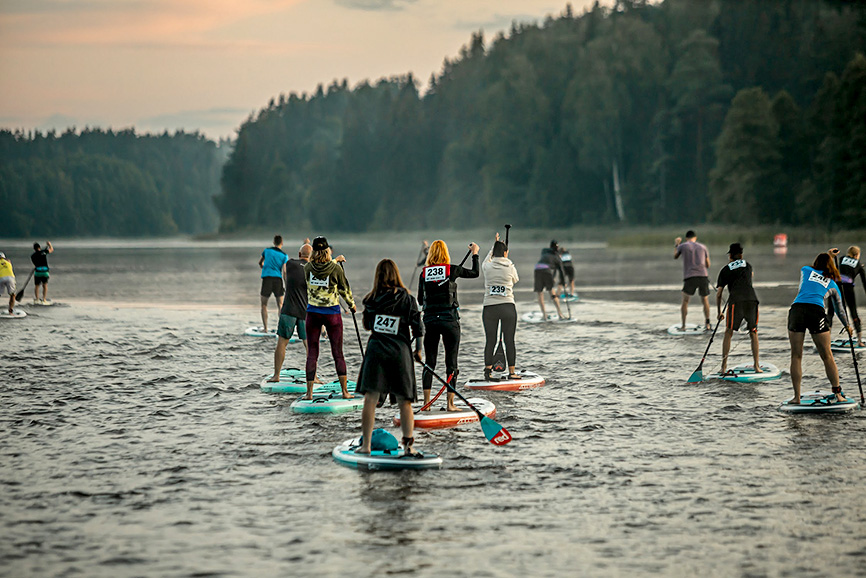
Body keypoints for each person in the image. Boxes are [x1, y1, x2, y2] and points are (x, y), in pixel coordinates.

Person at [355, 259, 424, 456]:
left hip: (376, 351)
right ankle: (408, 446)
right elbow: (418, 328)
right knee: (404, 401)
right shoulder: (407, 299)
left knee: (370, 399)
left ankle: (366, 445)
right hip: (400, 352)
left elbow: (368, 326)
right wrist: (418, 351)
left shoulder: (370, 299)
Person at [417, 239, 479, 411]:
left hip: (430, 322)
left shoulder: (424, 273)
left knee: (430, 363)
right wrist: (475, 254)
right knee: (451, 363)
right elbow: (475, 273)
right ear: (446, 253)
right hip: (450, 321)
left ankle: (426, 404)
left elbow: (419, 299)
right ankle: (450, 404)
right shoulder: (452, 269)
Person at [787, 249, 853, 404]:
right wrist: (848, 326)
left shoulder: (806, 270)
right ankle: (838, 394)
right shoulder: (832, 284)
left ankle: (796, 397)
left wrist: (829, 255)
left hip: (796, 310)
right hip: (815, 312)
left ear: (816, 263)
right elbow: (839, 310)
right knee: (827, 356)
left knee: (796, 356)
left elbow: (815, 267)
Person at [303, 236, 354, 400]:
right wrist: (352, 305)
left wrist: (333, 261)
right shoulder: (335, 269)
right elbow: (344, 290)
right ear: (327, 251)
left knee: (312, 353)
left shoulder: (308, 268)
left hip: (313, 313)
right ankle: (345, 392)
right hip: (332, 313)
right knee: (338, 353)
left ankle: (309, 393)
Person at [267, 242, 314, 383]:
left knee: (282, 343)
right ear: (311, 258)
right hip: (305, 312)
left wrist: (287, 282)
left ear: (299, 255)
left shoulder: (291, 263)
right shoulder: (313, 269)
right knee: (310, 346)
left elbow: (285, 273)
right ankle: (313, 377)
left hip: (288, 310)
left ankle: (276, 376)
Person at [716, 243, 761, 374]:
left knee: (728, 333)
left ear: (730, 255)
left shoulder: (725, 270)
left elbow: (719, 293)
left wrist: (719, 312)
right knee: (753, 332)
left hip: (736, 302)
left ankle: (723, 367)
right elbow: (748, 279)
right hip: (752, 300)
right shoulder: (748, 266)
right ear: (741, 254)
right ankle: (756, 366)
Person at [482, 233, 520, 381]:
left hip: (490, 308)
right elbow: (515, 280)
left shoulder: (487, 266)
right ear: (505, 252)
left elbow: (487, 258)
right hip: (508, 307)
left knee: (490, 340)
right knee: (509, 340)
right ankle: (512, 372)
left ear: (493, 253)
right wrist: (506, 257)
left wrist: (495, 245)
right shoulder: (510, 266)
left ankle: (488, 371)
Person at [674, 231, 711, 331]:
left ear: (686, 238)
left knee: (685, 301)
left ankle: (683, 326)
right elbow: (708, 265)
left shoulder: (683, 246)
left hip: (690, 276)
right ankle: (708, 324)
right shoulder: (703, 247)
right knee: (705, 300)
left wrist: (677, 244)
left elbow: (675, 256)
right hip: (703, 276)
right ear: (695, 237)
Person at [258, 235, 289, 334]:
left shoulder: (266, 251)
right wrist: (286, 284)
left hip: (267, 279)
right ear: (282, 243)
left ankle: (265, 328)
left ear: (273, 242)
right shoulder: (284, 256)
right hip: (277, 280)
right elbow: (284, 272)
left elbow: (260, 263)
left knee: (264, 305)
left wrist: (265, 267)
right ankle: (281, 329)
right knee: (280, 305)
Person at [838, 245, 866, 346]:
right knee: (853, 312)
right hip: (848, 288)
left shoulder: (841, 259)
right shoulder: (858, 264)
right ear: (857, 254)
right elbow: (864, 282)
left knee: (831, 312)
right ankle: (859, 341)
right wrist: (859, 268)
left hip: (837, 287)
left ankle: (826, 340)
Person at [533, 240, 566, 320]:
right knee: (552, 291)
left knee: (540, 293)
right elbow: (561, 271)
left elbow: (550, 266)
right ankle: (560, 314)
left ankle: (544, 315)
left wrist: (553, 277)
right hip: (547, 271)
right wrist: (563, 282)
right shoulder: (557, 257)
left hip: (537, 269)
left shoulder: (544, 252)